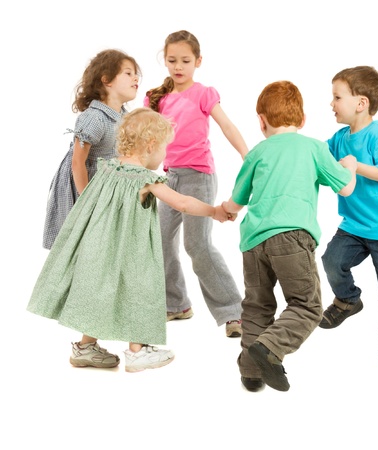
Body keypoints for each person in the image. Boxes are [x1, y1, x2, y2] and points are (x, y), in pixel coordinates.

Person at [27, 108, 232, 373]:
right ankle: (138, 351)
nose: (164, 156)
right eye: (163, 149)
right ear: (150, 145)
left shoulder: (107, 168)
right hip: (131, 251)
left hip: (99, 246)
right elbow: (182, 202)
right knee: (142, 289)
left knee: (99, 290)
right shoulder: (146, 179)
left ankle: (86, 346)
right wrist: (214, 211)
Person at [221, 80, 357, 392]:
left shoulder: (257, 152)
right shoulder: (313, 148)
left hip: (253, 242)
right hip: (292, 238)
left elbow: (237, 200)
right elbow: (346, 187)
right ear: (303, 120)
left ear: (261, 121)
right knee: (307, 306)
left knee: (257, 306)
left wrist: (226, 210)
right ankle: (270, 347)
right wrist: (348, 165)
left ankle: (252, 372)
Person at [144, 30, 248, 337]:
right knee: (160, 241)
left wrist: (247, 155)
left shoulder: (203, 93)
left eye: (185, 61)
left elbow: (227, 125)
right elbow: (144, 135)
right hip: (168, 178)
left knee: (197, 245)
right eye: (172, 60)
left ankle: (234, 312)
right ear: (164, 60)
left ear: (198, 61)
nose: (178, 66)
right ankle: (176, 304)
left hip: (198, 177)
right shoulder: (156, 98)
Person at [319, 66, 378, 367]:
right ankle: (348, 300)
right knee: (331, 261)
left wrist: (355, 165)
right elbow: (322, 155)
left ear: (361, 103)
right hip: (354, 226)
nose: (331, 104)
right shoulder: (339, 137)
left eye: (337, 97)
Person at [43, 49, 141, 249]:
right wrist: (87, 200)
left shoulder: (123, 116)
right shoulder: (95, 117)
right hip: (84, 184)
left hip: (105, 184)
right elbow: (78, 162)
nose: (135, 78)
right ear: (107, 80)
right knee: (79, 242)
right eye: (128, 73)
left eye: (135, 74)